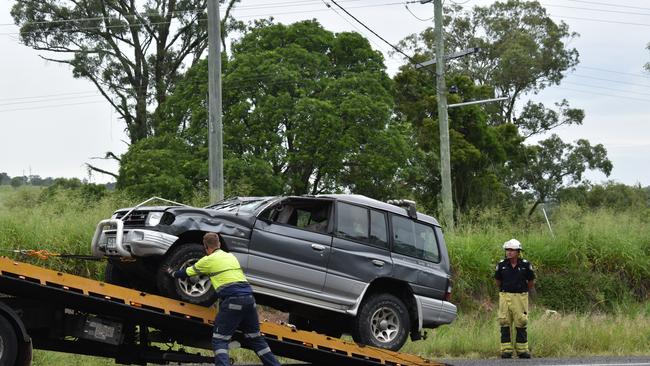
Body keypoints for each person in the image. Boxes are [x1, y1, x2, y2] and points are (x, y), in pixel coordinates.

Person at [169, 232, 280, 366]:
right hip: (250, 300)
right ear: (219, 244)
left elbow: (186, 273)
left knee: (219, 340)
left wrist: (172, 272)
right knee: (256, 339)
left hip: (233, 301)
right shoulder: (230, 256)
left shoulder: (207, 260)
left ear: (205, 246)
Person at [494, 238, 535, 359]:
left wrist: (521, 290)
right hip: (505, 295)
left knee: (521, 321)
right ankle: (506, 350)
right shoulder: (501, 265)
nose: (509, 252)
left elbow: (531, 281)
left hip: (520, 296)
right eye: (507, 250)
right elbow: (497, 281)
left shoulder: (525, 265)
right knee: (504, 321)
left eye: (512, 250)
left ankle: (522, 351)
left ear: (518, 252)